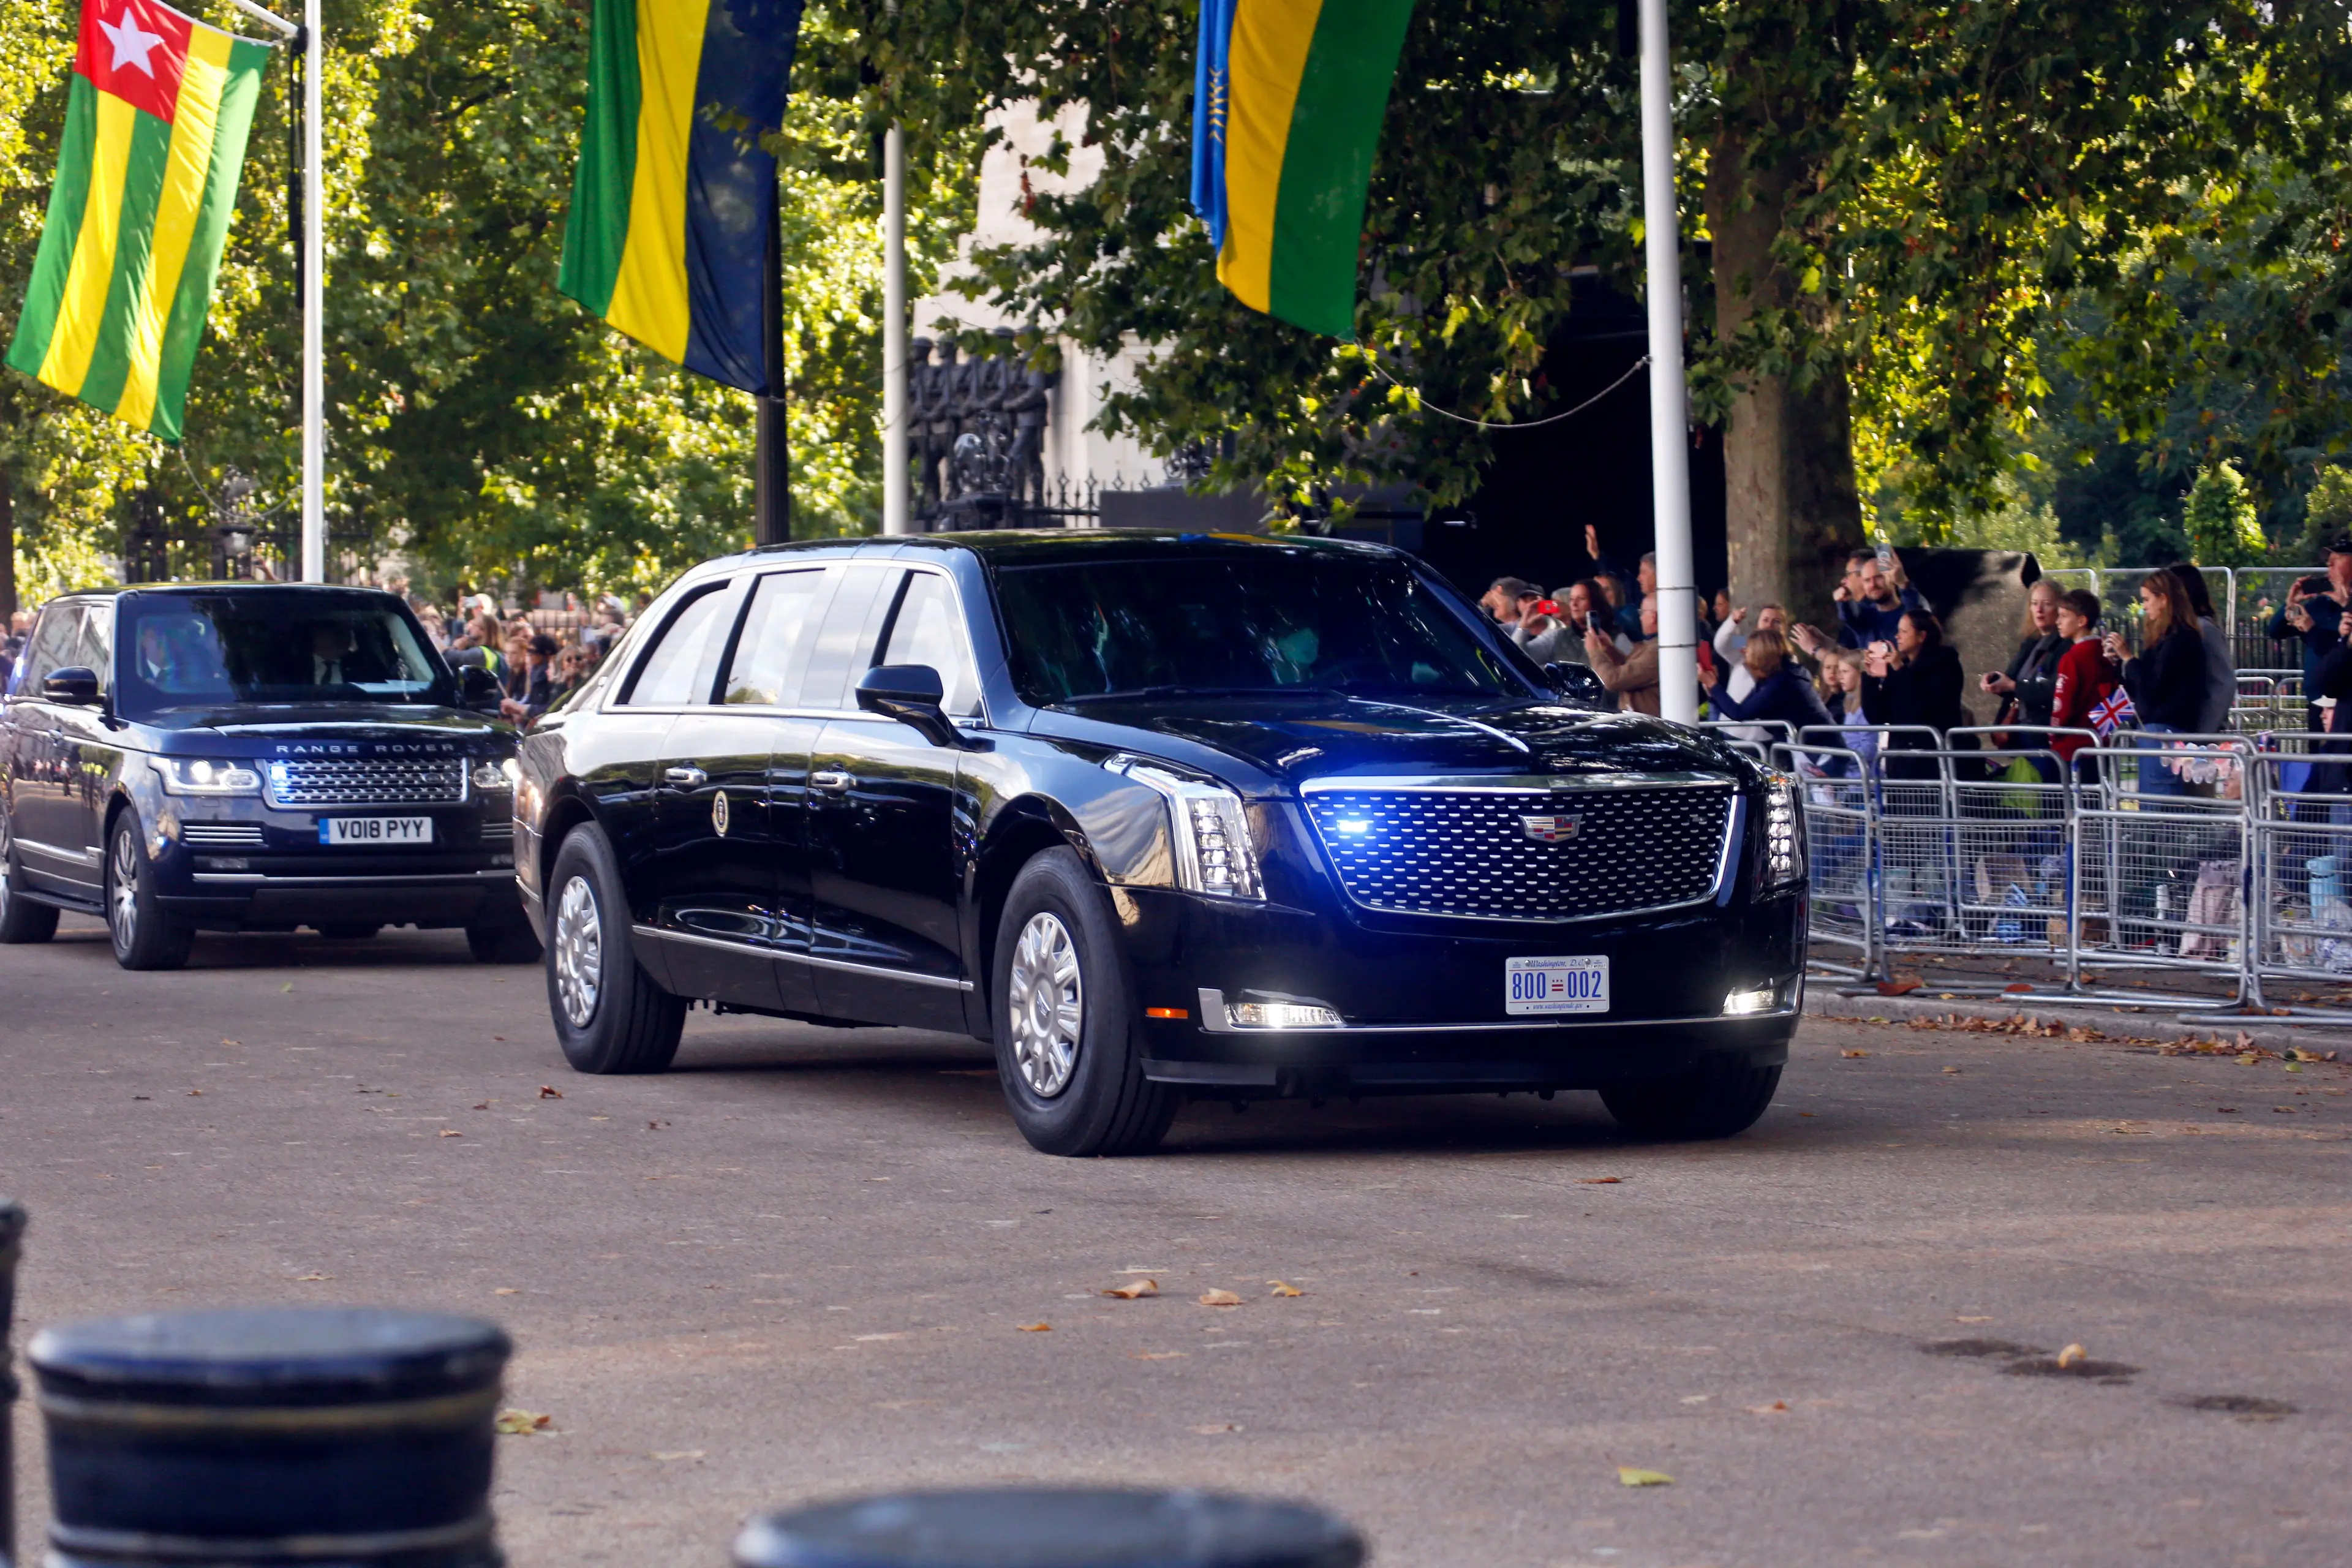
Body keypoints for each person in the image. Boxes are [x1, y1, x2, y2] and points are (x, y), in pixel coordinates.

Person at [2105, 570, 2204, 797]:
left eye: (2147, 599)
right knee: (2150, 798)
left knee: (2160, 797)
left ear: (2164, 599)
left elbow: (2154, 687)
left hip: (2166, 730)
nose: (2144, 607)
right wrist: (2118, 664)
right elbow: (2137, 687)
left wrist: (2129, 658)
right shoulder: (2159, 639)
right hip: (2152, 727)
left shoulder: (2181, 638)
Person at [1861, 608, 1966, 777]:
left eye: (1903, 631)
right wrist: (1870, 677)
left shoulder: (1946, 664)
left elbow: (1922, 707)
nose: (1897, 636)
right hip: (1901, 763)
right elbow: (1878, 716)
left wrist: (1900, 670)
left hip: (1932, 765)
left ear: (1921, 636)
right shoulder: (1901, 667)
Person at [1705, 627, 1833, 737]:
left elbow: (1740, 713)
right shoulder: (1744, 643)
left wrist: (1714, 685)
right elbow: (1721, 643)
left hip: (1809, 745)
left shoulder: (1784, 676)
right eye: (1766, 619)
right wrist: (1733, 621)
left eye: (1776, 621)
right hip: (1737, 732)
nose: (1770, 624)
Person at [2046, 589, 2120, 771]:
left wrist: (2053, 734)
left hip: (2072, 746)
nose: (2058, 622)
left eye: (2064, 616)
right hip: (2101, 743)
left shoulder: (2072, 658)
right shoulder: (2104, 654)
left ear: (2081, 621)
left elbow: (2063, 706)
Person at [1983, 578, 2066, 734]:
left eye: (2047, 604)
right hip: (2020, 726)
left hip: (2043, 729)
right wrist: (1995, 680)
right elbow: (2012, 679)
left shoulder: (2065, 646)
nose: (2039, 610)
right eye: (2034, 604)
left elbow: (2054, 691)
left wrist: (2013, 686)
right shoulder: (2031, 642)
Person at [2164, 563, 2235, 733]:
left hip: (2199, 731)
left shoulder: (2204, 629)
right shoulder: (2178, 630)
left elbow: (2224, 683)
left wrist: (2204, 732)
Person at [1585, 594, 1661, 715]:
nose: (1640, 618)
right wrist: (1609, 649)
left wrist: (1594, 652)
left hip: (1648, 728)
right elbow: (1630, 669)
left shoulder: (1657, 651)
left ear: (1653, 617)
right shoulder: (1651, 646)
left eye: (1642, 613)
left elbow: (1613, 680)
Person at [1838, 549, 1924, 649]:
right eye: (1867, 580)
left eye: (1879, 577)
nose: (1873, 585)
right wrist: (1842, 601)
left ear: (1891, 577)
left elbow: (1913, 608)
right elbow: (1846, 617)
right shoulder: (1864, 616)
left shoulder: (1908, 611)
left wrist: (1903, 583)